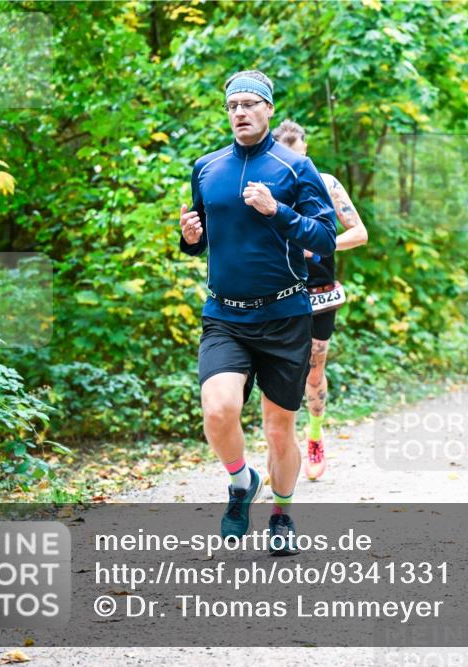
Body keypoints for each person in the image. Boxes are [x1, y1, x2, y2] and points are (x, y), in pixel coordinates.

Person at [178, 70, 337, 555]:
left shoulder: (295, 170)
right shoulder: (206, 168)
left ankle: (283, 513)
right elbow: (205, 237)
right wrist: (190, 239)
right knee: (218, 409)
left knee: (277, 427)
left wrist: (278, 212)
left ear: (269, 109)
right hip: (224, 315)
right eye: (233, 105)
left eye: (250, 103)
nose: (241, 112)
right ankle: (241, 479)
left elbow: (325, 237)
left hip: (285, 315)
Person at [272, 119, 368, 481]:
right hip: (278, 292)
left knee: (313, 374)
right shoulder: (267, 183)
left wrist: (321, 242)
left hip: (319, 294)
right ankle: (281, 452)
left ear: (306, 151)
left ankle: (314, 435)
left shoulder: (325, 184)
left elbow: (359, 233)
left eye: (299, 156)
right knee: (278, 375)